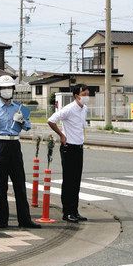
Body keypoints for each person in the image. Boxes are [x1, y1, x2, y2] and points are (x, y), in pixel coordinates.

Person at [0, 75, 40, 229]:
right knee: (2, 187)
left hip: (14, 145)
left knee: (20, 185)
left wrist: (22, 120)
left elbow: (28, 127)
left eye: (9, 88)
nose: (7, 91)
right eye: (4, 88)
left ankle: (25, 220)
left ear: (13, 90)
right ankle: (3, 220)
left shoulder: (19, 107)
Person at [48, 84, 90, 223]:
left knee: (76, 180)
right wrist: (61, 135)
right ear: (76, 96)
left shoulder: (84, 109)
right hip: (68, 147)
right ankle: (67, 212)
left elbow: (81, 126)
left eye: (87, 94)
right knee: (68, 181)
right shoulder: (69, 109)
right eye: (84, 94)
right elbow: (51, 120)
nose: (86, 97)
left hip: (78, 147)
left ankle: (75, 211)